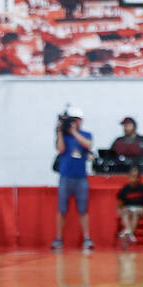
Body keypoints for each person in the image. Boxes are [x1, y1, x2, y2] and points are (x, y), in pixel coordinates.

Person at [53, 107, 94, 251]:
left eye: (76, 120)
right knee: (61, 209)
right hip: (65, 176)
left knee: (83, 209)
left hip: (81, 177)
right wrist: (59, 132)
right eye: (72, 120)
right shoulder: (64, 135)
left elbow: (88, 145)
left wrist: (74, 132)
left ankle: (87, 238)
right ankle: (58, 239)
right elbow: (60, 149)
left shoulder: (85, 134)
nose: (74, 123)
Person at [116, 165, 143, 248]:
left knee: (136, 212)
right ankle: (130, 233)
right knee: (125, 212)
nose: (134, 179)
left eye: (136, 177)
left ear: (139, 178)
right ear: (128, 177)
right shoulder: (125, 189)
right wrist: (120, 211)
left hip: (140, 209)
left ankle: (128, 233)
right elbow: (120, 204)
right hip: (129, 208)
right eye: (132, 177)